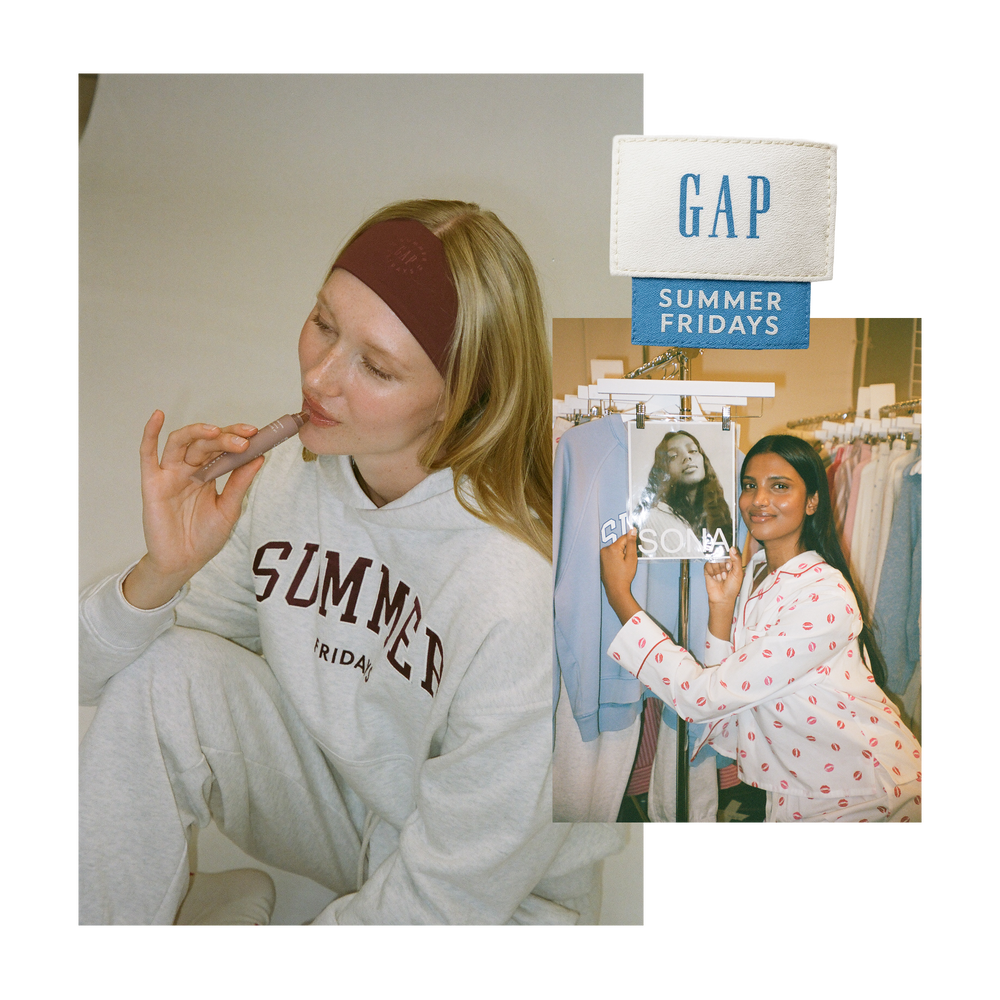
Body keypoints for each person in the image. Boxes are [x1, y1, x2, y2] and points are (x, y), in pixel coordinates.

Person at [77, 199, 624, 927]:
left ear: (462, 397)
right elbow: (96, 685)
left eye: (378, 366)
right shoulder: (289, 479)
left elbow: (451, 897)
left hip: (502, 898)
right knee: (159, 671)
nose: (321, 379)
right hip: (349, 817)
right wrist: (162, 572)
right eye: (325, 324)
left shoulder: (525, 593)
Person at [600, 434, 924, 825]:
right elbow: (727, 687)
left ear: (812, 501)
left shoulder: (825, 597)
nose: (759, 500)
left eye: (780, 487)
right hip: (796, 786)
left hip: (863, 790)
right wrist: (721, 606)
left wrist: (620, 595)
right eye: (750, 485)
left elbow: (705, 698)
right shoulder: (756, 571)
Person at [633, 430, 733, 559]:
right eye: (673, 456)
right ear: (664, 471)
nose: (687, 457)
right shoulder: (656, 515)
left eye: (692, 451)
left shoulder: (717, 512)